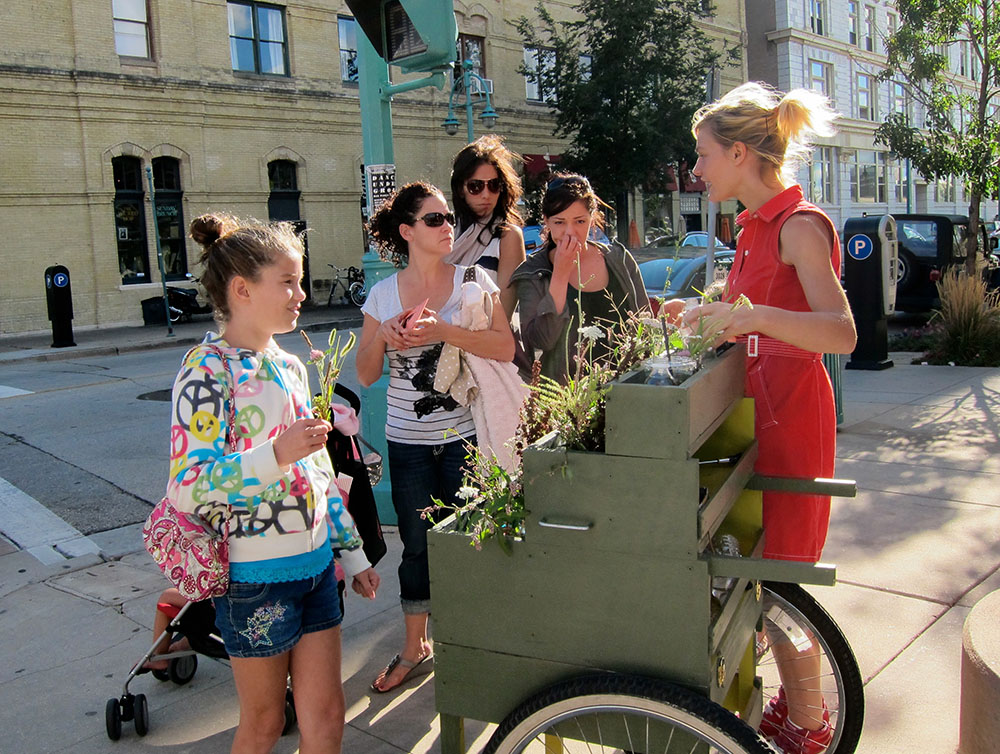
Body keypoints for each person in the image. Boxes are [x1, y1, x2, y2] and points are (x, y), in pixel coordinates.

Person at [670, 82, 856, 754]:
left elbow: (841, 332)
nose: (697, 170)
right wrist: (703, 316)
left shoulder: (799, 224)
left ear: (741, 153)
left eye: (704, 155)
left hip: (790, 426)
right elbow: (753, 323)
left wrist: (749, 315)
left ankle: (810, 729)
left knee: (782, 585)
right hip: (755, 422)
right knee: (766, 582)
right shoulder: (752, 226)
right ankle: (795, 707)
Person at [170, 213, 380, 754]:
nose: (300, 294)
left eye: (300, 279)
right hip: (254, 579)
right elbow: (188, 485)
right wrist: (276, 453)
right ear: (242, 289)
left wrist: (350, 554)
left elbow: (317, 472)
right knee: (263, 724)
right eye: (287, 281)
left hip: (314, 571)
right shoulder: (206, 369)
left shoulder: (288, 365)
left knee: (328, 717)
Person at [356, 181, 515, 693]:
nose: (448, 226)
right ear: (407, 231)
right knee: (419, 545)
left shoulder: (474, 281)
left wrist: (443, 331)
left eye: (449, 218)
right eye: (435, 220)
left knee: (472, 540)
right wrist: (386, 334)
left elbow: (504, 347)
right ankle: (414, 647)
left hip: (467, 436)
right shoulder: (382, 294)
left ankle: (471, 642)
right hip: (408, 442)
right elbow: (363, 373)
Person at [511, 173, 647, 384]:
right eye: (559, 222)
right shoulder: (532, 273)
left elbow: (644, 324)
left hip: (626, 390)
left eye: (580, 221)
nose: (570, 232)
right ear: (546, 221)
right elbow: (541, 342)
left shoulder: (618, 259)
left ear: (591, 219)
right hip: (568, 403)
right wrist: (561, 275)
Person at [446, 134, 526, 320]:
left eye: (494, 185)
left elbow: (503, 314)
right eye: (476, 186)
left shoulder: (508, 236)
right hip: (441, 342)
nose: (486, 195)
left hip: (489, 343)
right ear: (460, 189)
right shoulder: (445, 231)